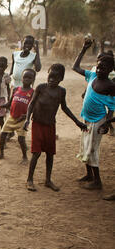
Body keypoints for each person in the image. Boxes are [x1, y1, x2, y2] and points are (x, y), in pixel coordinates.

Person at [23, 64, 87, 192]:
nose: (51, 79)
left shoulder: (61, 91)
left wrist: (77, 122)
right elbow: (32, 104)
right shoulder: (41, 88)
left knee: (50, 154)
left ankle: (48, 180)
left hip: (50, 125)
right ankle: (29, 179)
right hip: (37, 124)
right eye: (50, 76)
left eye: (55, 78)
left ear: (61, 78)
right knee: (36, 153)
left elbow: (64, 108)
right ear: (47, 74)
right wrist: (27, 119)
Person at [72, 39, 115, 190]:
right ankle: (89, 175)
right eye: (98, 67)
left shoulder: (110, 86)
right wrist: (83, 49)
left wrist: (106, 124)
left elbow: (111, 107)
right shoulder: (92, 76)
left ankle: (98, 181)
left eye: (103, 68)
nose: (99, 70)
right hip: (87, 118)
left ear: (110, 70)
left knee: (92, 149)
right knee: (84, 146)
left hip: (98, 121)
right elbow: (75, 67)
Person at [0, 69, 36, 163]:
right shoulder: (16, 89)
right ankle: (1, 153)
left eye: (29, 78)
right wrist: (0, 106)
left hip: (22, 120)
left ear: (33, 80)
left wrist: (26, 116)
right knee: (2, 134)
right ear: (21, 78)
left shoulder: (33, 92)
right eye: (25, 77)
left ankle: (25, 157)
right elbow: (9, 103)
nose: (26, 79)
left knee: (21, 139)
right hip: (12, 117)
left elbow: (34, 107)